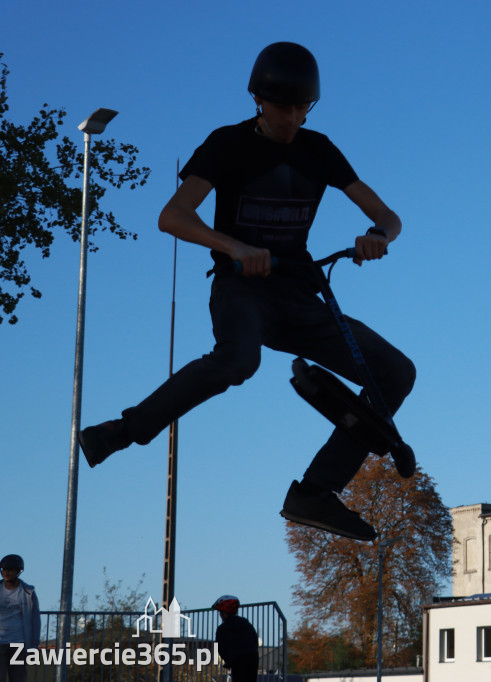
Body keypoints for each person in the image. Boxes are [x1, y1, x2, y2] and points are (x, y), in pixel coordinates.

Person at [77, 42, 416, 541]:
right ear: (259, 99)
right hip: (240, 290)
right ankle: (122, 431)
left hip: (298, 295)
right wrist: (232, 247)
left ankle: (315, 492)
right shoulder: (227, 144)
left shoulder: (319, 150)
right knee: (239, 360)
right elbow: (172, 215)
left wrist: (377, 238)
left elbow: (388, 216)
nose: (293, 119)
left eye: (304, 108)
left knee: (395, 371)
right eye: (285, 108)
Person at [0, 555, 40, 682]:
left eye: (10, 570)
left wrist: (34, 644)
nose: (6, 573)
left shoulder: (28, 592)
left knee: (17, 678)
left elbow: (35, 619)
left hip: (19, 642)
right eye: (3, 569)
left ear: (18, 571)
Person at [212, 596, 259, 682]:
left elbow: (221, 647)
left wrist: (228, 661)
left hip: (237, 661)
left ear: (223, 613)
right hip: (252, 658)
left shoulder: (222, 628)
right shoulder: (245, 623)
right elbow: (254, 639)